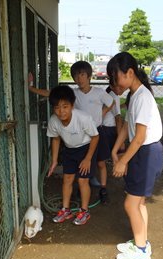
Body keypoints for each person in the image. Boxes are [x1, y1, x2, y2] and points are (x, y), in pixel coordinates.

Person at [28, 61, 114, 203]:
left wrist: (102, 114)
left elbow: (111, 103)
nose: (79, 78)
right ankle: (82, 189)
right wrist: (31, 89)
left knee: (100, 162)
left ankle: (103, 189)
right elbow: (51, 93)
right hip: (80, 134)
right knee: (81, 165)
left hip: (96, 131)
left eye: (82, 75)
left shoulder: (99, 92)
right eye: (75, 76)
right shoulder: (72, 94)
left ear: (89, 76)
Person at [107, 52, 163, 259]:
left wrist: (123, 161)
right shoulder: (135, 95)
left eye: (116, 77)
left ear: (130, 73)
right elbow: (128, 128)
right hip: (142, 151)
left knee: (131, 204)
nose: (114, 83)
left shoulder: (142, 97)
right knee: (138, 202)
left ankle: (141, 250)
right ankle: (142, 242)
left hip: (146, 152)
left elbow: (139, 137)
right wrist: (115, 149)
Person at [46, 85, 99, 225]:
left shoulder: (83, 118)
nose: (61, 111)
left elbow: (95, 137)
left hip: (86, 148)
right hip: (69, 150)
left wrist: (88, 159)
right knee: (67, 179)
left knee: (83, 180)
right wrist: (54, 160)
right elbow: (56, 139)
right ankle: (66, 210)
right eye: (57, 107)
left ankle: (84, 211)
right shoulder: (53, 121)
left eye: (65, 106)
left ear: (72, 105)